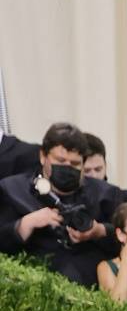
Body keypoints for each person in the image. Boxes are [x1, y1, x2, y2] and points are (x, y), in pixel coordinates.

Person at [0, 121, 119, 287]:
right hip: (36, 290)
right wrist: (25, 224)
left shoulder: (104, 194)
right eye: (60, 161)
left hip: (94, 292)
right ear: (43, 157)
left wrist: (99, 231)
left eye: (75, 164)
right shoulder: (13, 190)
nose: (67, 168)